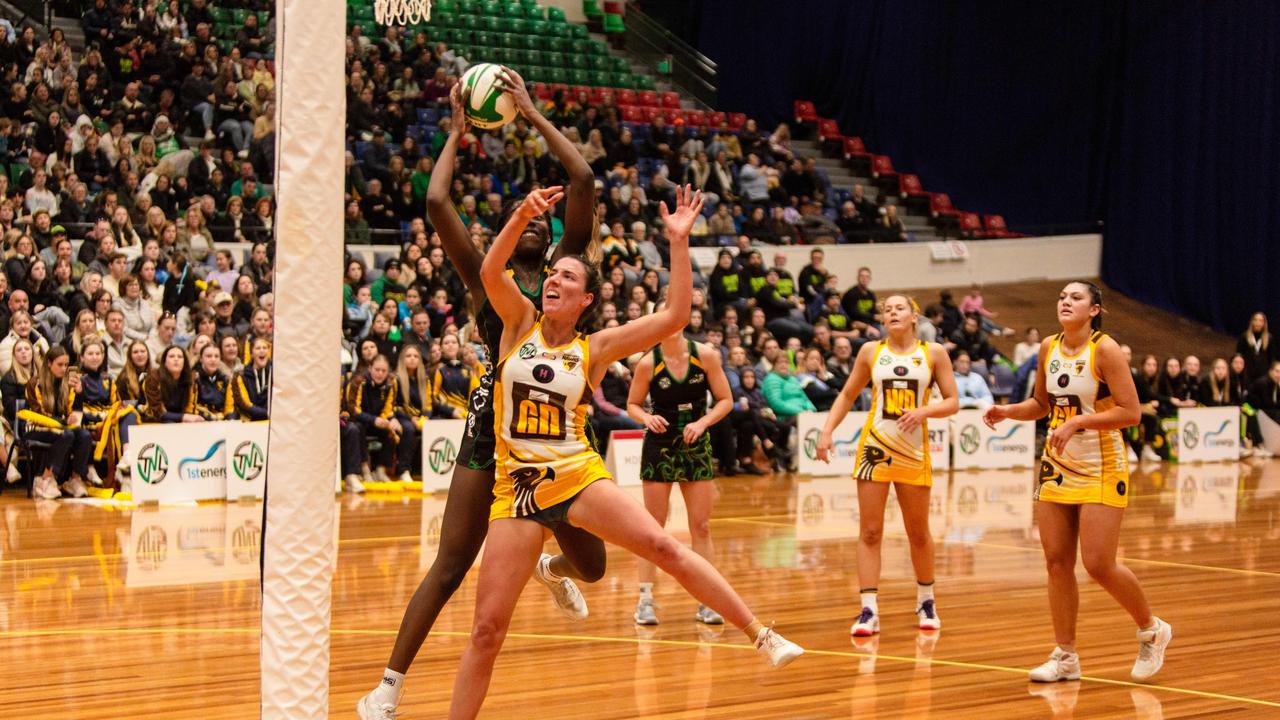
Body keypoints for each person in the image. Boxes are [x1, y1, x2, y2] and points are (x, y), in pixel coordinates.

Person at [447, 185, 801, 719]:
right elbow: (491, 271)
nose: (554, 280)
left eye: (568, 276)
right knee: (486, 631)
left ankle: (760, 632)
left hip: (575, 475)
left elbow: (675, 316)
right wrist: (521, 215)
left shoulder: (595, 347)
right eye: (552, 273)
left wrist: (678, 244)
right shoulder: (518, 323)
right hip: (514, 490)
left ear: (586, 299)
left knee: (663, 546)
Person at [359, 74, 610, 720]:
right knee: (450, 565)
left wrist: (529, 111)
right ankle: (387, 689)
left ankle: (551, 568)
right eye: (525, 218)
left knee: (595, 566)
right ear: (510, 226)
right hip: (489, 433)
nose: (539, 225)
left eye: (545, 221)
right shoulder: (486, 276)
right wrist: (456, 130)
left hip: (557, 436)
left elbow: (581, 180)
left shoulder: (565, 274)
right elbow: (438, 198)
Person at [983, 281, 1171, 683]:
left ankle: (1152, 629)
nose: (1066, 302)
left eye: (1076, 298)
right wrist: (1007, 411)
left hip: (1102, 462)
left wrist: (1081, 421)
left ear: (1094, 309)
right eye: (1062, 297)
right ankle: (1066, 655)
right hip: (1057, 464)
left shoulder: (1105, 349)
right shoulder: (1049, 347)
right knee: (1056, 563)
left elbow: (1131, 412)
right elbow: (1041, 405)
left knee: (1099, 563)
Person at [817, 295, 959, 637]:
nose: (892, 312)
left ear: (914, 316)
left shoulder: (933, 353)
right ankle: (868, 609)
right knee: (869, 531)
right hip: (874, 449)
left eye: (899, 308)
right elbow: (848, 394)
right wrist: (826, 431)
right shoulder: (870, 351)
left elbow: (953, 401)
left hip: (913, 452)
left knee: (919, 532)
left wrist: (925, 411)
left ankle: (926, 599)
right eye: (886, 310)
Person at [626, 325, 734, 627]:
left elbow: (726, 400)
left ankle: (707, 601)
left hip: (695, 442)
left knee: (701, 526)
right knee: (652, 527)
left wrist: (702, 423)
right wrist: (646, 417)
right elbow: (632, 404)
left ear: (682, 322)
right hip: (659, 446)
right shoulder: (649, 362)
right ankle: (645, 599)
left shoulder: (706, 356)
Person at [23, 346, 95, 499]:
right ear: (49, 363)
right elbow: (37, 413)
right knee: (66, 435)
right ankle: (45, 479)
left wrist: (80, 392)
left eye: (66, 365)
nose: (64, 368)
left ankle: (75, 479)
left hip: (60, 426)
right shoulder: (34, 383)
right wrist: (63, 421)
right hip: (35, 427)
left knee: (84, 435)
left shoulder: (66, 384)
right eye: (60, 364)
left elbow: (74, 412)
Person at [232, 336, 272, 421]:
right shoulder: (241, 376)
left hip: (273, 423)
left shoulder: (276, 374)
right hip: (251, 423)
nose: (262, 350)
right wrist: (268, 414)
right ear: (251, 354)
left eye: (264, 348)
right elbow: (245, 404)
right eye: (258, 348)